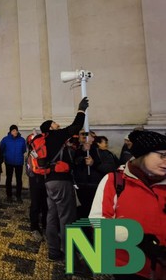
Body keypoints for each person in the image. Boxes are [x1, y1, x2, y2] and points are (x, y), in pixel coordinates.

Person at [90, 130, 166, 280]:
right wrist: (138, 238)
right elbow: (97, 221)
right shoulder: (115, 181)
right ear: (143, 154)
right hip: (128, 265)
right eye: (162, 155)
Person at [41, 96, 89, 262]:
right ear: (50, 127)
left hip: (49, 181)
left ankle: (54, 251)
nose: (57, 124)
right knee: (67, 218)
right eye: (54, 122)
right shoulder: (56, 135)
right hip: (62, 181)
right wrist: (81, 110)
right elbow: (76, 126)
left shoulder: (44, 141)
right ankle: (71, 256)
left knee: (52, 216)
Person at [0, 124, 27, 203]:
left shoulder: (22, 140)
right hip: (9, 162)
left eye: (16, 130)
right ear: (10, 131)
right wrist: (5, 155)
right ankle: (9, 196)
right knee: (9, 179)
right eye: (13, 130)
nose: (15, 132)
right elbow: (2, 149)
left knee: (19, 179)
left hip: (19, 162)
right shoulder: (5, 139)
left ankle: (18, 196)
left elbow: (24, 150)